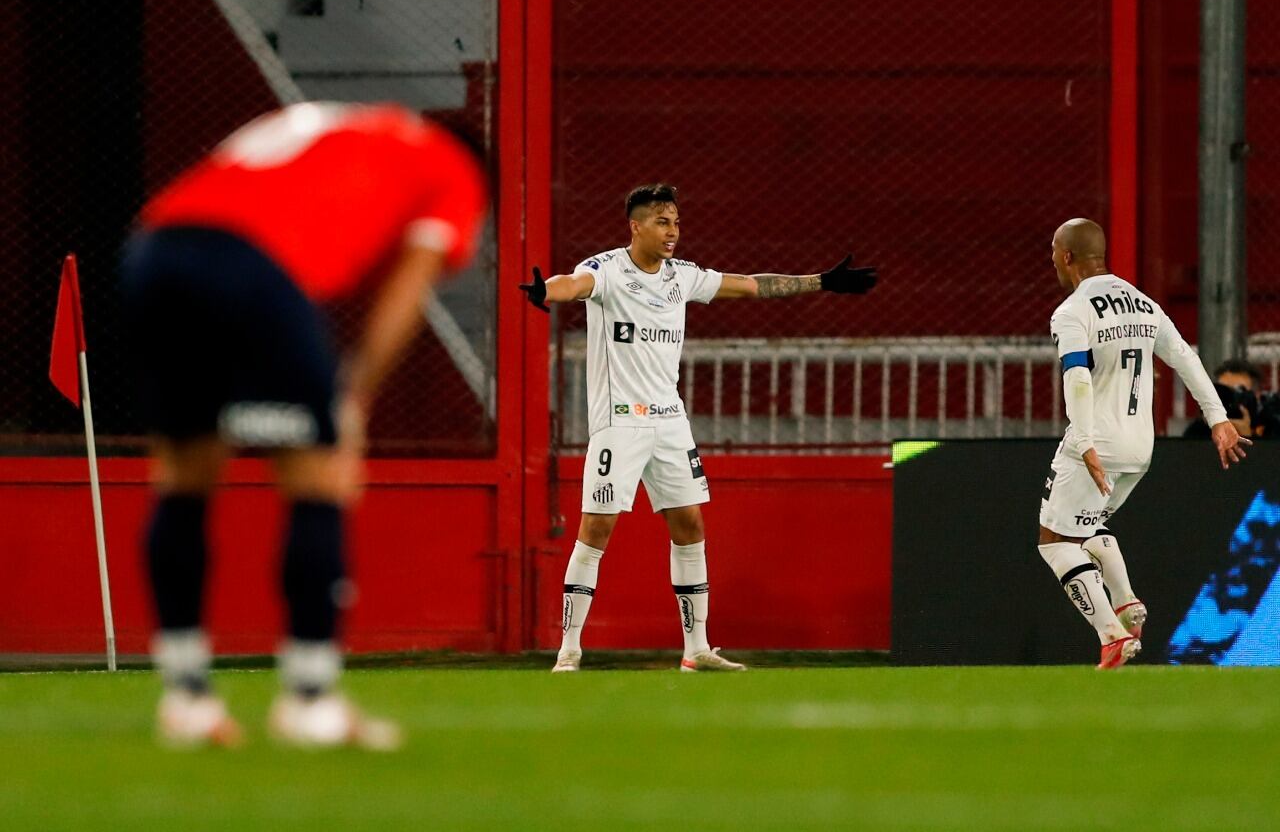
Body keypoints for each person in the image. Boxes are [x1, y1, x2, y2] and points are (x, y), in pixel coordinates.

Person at [122, 102, 488, 747]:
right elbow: (408, 289)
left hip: (155, 251)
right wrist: (354, 400)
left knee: (182, 475)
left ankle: (186, 699)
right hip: (254, 268)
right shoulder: (452, 167)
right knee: (319, 478)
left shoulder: (333, 123)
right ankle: (310, 701)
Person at [519, 183, 877, 672]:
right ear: (636, 226)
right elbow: (572, 284)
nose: (673, 232)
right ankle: (569, 649)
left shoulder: (682, 277)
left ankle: (696, 650)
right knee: (596, 529)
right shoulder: (605, 269)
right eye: (663, 222)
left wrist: (822, 281)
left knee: (689, 525)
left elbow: (750, 284)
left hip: (670, 422)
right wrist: (546, 291)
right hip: (620, 423)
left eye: (677, 222)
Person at [1038, 218, 1249, 669]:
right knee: (1088, 527)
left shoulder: (1072, 311)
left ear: (1069, 257)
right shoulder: (1142, 303)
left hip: (1098, 441)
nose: (1052, 259)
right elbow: (1186, 358)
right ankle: (1126, 602)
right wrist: (1218, 418)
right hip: (1141, 448)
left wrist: (1087, 443)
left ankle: (1112, 635)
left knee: (1055, 541)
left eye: (1054, 252)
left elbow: (1076, 378)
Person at [1182, 359, 1266, 439]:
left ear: (1255, 396)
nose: (1229, 397)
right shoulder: (1199, 429)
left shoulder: (1270, 426)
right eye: (1223, 391)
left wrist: (1247, 436)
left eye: (1238, 391)